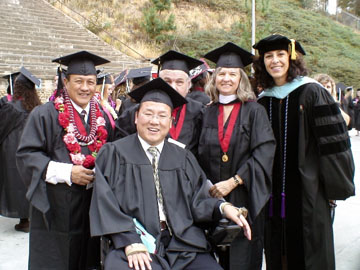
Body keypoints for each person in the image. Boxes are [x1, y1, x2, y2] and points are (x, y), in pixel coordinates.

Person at [90, 77, 252, 270]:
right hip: (136, 243)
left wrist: (223, 208)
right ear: (136, 117)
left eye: (162, 115)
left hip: (183, 245)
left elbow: (198, 199)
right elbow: (104, 202)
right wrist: (128, 240)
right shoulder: (114, 153)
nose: (154, 121)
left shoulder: (183, 157)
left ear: (171, 121)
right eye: (148, 114)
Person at [252, 34, 355, 270]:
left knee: (310, 252)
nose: (275, 61)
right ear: (262, 62)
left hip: (309, 191)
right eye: (269, 56)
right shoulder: (261, 102)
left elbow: (333, 144)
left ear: (291, 58)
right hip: (272, 193)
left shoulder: (312, 92)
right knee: (277, 252)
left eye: (280, 55)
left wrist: (332, 188)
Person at [16, 51, 114, 270]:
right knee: (56, 261)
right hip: (56, 208)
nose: (85, 87)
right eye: (78, 81)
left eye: (91, 82)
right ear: (65, 81)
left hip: (92, 207)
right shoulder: (44, 114)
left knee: (89, 259)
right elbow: (26, 156)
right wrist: (68, 172)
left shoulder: (104, 117)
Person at [198, 42, 276, 270]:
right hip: (213, 196)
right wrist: (209, 185)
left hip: (245, 194)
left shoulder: (254, 111)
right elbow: (196, 153)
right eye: (221, 73)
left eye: (233, 74)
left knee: (243, 256)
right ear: (214, 78)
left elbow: (265, 150)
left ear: (241, 79)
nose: (226, 79)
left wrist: (233, 181)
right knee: (214, 255)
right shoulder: (207, 112)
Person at [117, 51, 204, 155]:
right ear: (157, 81)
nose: (173, 87)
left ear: (189, 85)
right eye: (167, 81)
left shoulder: (199, 112)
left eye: (179, 82)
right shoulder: (137, 112)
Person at [0, 67, 42, 232]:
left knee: (16, 184)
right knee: (30, 183)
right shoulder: (37, 107)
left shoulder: (11, 107)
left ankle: (25, 220)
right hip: (33, 150)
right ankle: (32, 217)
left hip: (12, 151)